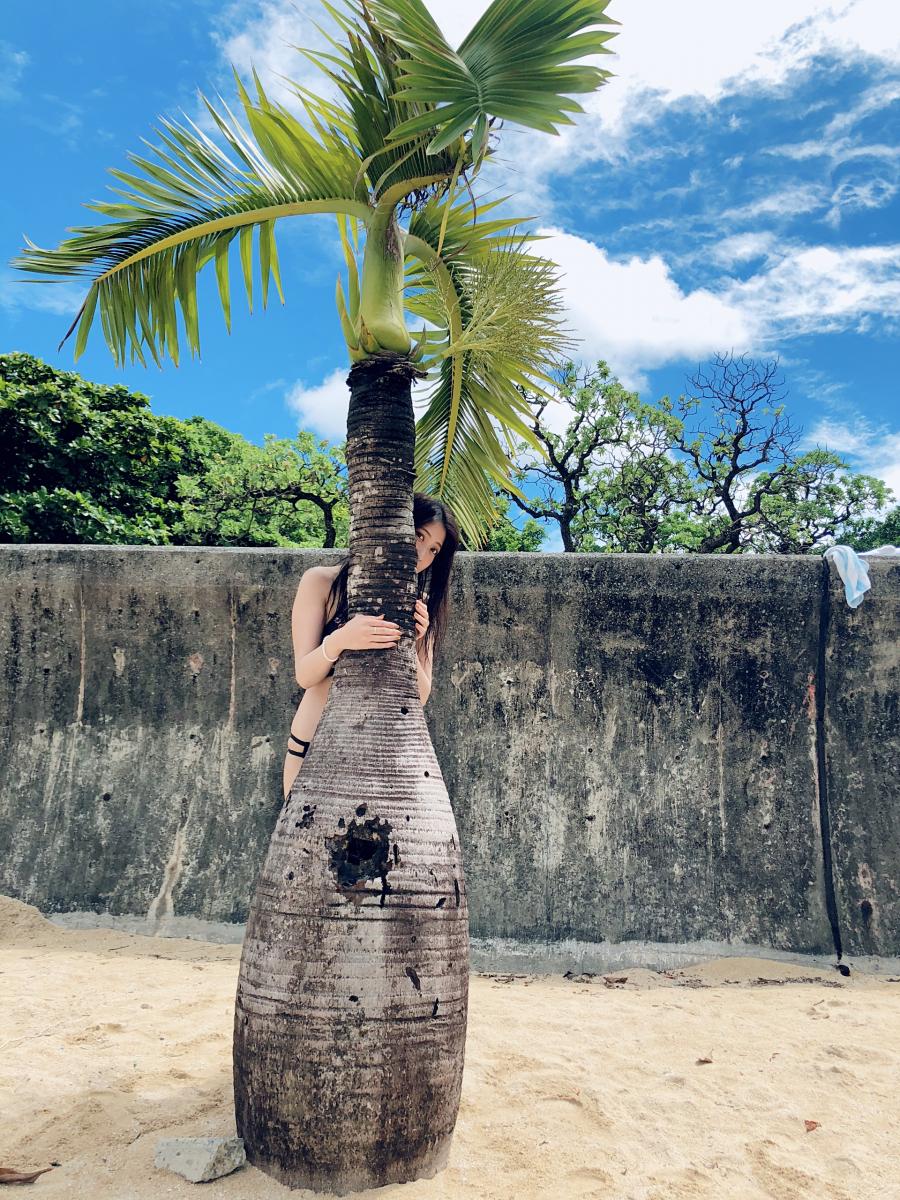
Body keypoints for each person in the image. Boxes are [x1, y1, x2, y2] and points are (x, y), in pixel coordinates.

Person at [283, 493, 460, 800]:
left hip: (382, 756)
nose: (423, 554)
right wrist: (340, 640)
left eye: (434, 549)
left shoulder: (420, 608)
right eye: (419, 536)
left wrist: (413, 642)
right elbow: (305, 675)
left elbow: (420, 696)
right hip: (313, 747)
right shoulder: (320, 582)